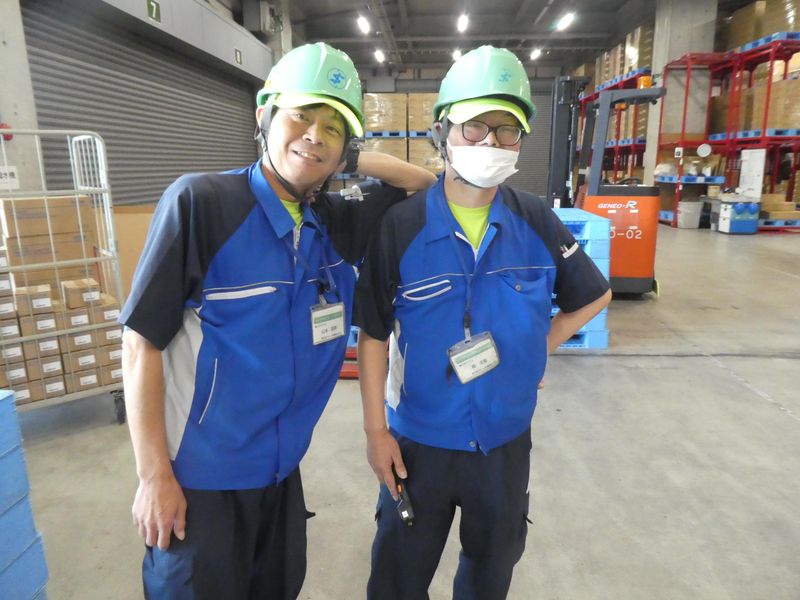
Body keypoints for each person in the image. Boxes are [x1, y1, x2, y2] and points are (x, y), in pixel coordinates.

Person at [119, 42, 435, 600]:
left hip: (282, 475)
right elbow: (140, 343)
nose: (314, 135)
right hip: (202, 482)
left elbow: (423, 184)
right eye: (301, 116)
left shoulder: (335, 222)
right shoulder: (203, 204)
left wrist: (347, 157)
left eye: (333, 127)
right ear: (265, 115)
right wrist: (153, 477)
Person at [354, 45, 612, 600]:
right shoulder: (402, 225)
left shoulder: (534, 219)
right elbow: (373, 332)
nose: (490, 141)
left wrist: (536, 348)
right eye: (474, 126)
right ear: (443, 131)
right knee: (397, 579)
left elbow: (593, 296)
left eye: (506, 129)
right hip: (418, 442)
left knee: (489, 577)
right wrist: (376, 432)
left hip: (503, 444)